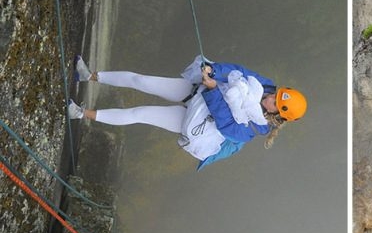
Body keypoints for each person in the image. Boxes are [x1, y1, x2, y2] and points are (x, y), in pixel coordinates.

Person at [68, 55, 307, 170]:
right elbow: (238, 71)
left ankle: (80, 113)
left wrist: (213, 89)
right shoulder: (266, 86)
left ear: (279, 116)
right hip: (197, 91)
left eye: (274, 103)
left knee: (139, 113)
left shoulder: (254, 129)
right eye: (275, 95)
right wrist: (214, 71)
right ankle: (88, 75)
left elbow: (224, 122)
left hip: (197, 118)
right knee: (140, 80)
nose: (269, 97)